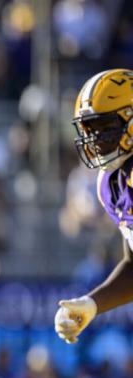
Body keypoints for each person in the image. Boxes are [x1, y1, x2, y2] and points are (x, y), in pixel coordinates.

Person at [56, 69, 133, 343]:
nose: (95, 140)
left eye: (104, 127)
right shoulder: (111, 184)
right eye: (90, 130)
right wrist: (93, 303)